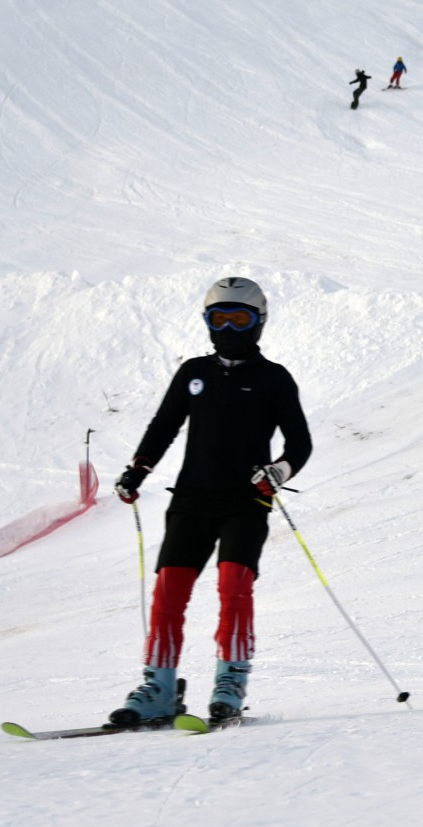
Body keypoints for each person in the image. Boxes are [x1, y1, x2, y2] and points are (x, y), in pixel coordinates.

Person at [109, 277, 312, 725]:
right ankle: (159, 688)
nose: (230, 328)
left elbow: (300, 443)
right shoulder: (193, 373)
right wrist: (137, 470)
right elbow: (164, 426)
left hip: (245, 503)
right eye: (220, 318)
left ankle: (230, 682)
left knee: (233, 590)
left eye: (240, 318)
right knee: (167, 596)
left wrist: (278, 471)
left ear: (259, 323)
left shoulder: (273, 379)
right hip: (191, 502)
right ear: (207, 321)